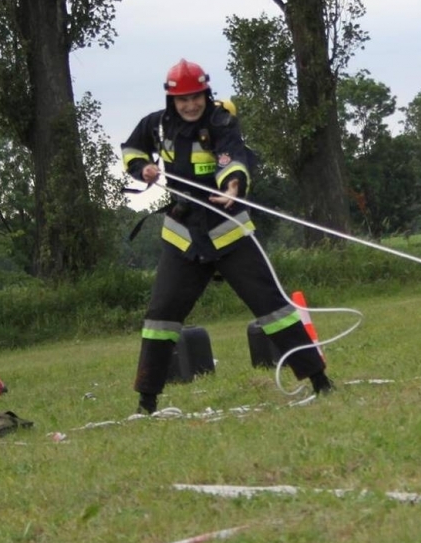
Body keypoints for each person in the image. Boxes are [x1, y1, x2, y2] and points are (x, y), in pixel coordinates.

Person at [122, 59, 333, 412]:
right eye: (182, 99)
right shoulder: (156, 125)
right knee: (161, 315)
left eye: (196, 97)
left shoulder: (222, 122)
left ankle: (320, 381)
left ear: (206, 94)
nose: (190, 105)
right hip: (183, 236)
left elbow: (234, 158)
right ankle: (147, 402)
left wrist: (233, 187)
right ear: (171, 100)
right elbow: (131, 149)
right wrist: (141, 167)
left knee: (274, 307)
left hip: (228, 230)